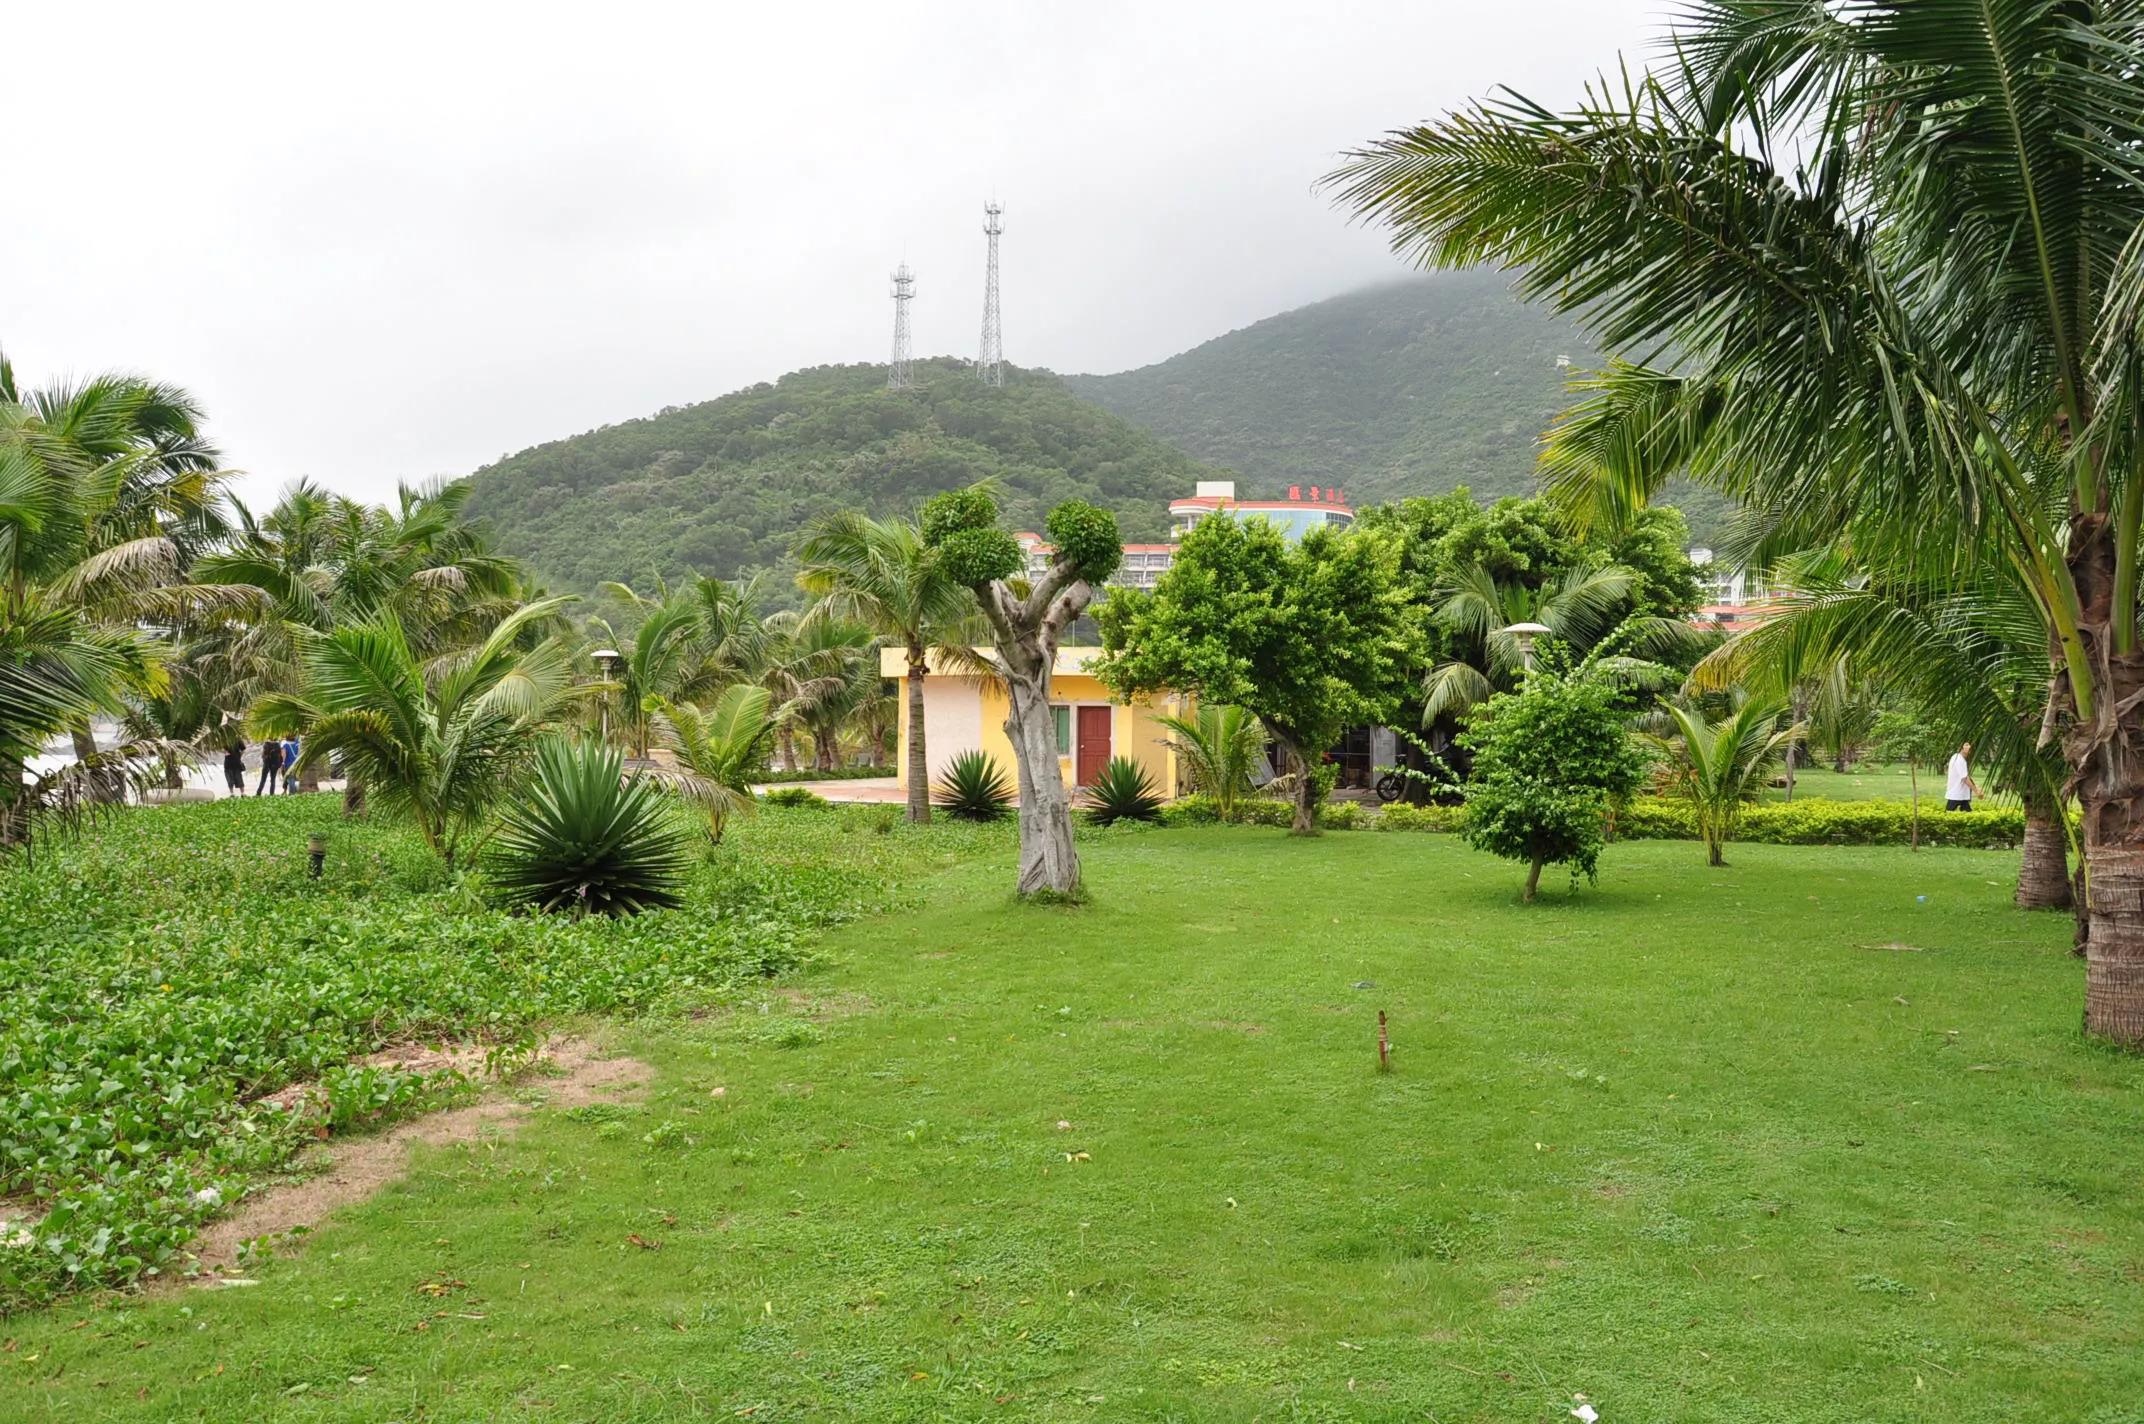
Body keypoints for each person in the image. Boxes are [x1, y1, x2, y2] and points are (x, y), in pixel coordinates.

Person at [1945, 740, 1981, 812]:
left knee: (1967, 813)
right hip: (1956, 794)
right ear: (1961, 747)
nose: (1969, 749)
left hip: (1961, 794)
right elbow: (1965, 778)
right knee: (1948, 815)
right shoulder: (1959, 759)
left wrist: (1975, 787)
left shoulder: (1958, 758)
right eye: (1966, 746)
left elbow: (1966, 776)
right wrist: (1976, 791)